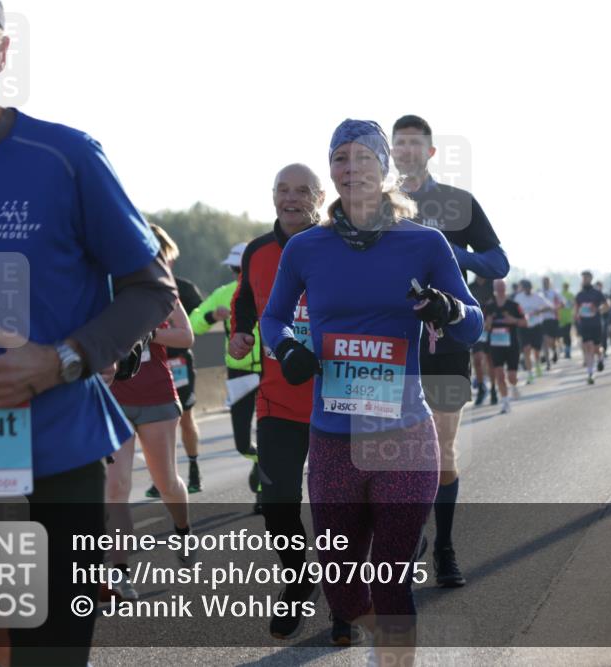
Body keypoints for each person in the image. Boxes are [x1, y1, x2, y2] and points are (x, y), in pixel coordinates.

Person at [0, 3, 176, 664]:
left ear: (3, 53)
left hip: (58, 463)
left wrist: (61, 359)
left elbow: (151, 289)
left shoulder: (65, 157)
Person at [261, 119, 483, 655]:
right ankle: (387, 640)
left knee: (389, 582)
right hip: (334, 439)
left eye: (364, 157)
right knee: (341, 588)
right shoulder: (306, 248)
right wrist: (288, 349)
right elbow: (273, 320)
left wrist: (448, 308)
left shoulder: (424, 243)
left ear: (384, 168)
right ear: (331, 171)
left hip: (403, 434)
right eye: (341, 158)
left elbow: (472, 324)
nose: (352, 168)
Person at [392, 114, 508, 589]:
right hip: (392, 346)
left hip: (445, 341)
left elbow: (498, 261)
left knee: (440, 452)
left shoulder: (456, 204)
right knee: (397, 454)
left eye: (416, 143)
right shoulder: (375, 203)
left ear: (431, 152)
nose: (407, 151)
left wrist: (452, 254)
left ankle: (443, 547)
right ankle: (407, 537)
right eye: (399, 143)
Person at [228, 163, 324, 640]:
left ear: (320, 197)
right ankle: (298, 581)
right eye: (283, 190)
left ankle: (351, 593)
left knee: (341, 508)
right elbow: (245, 300)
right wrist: (241, 331)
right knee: (278, 503)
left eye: (302, 190)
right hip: (278, 402)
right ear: (272, 196)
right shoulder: (257, 251)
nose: (291, 198)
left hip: (337, 401)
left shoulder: (337, 244)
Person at [106, 224, 196, 598]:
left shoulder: (159, 289)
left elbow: (186, 337)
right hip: (113, 396)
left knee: (167, 483)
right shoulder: (104, 287)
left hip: (157, 396)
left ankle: (183, 531)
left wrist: (146, 332)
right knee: (117, 487)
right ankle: (120, 571)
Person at [190, 245, 263, 510]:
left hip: (272, 372)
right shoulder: (223, 295)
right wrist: (211, 315)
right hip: (240, 372)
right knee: (242, 442)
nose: (237, 275)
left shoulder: (273, 287)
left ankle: (263, 491)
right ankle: (259, 461)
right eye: (235, 270)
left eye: (240, 269)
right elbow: (193, 322)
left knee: (270, 434)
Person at [144, 229, 205, 497]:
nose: (163, 262)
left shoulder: (184, 289)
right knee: (149, 426)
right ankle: (162, 477)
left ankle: (192, 469)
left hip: (177, 362)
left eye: (165, 256)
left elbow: (197, 326)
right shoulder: (138, 288)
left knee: (185, 418)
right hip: (146, 367)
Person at [485, 279, 527, 413]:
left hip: (512, 344)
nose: (501, 289)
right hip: (496, 345)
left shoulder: (514, 305)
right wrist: (488, 323)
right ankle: (505, 403)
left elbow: (525, 322)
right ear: (494, 289)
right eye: (498, 287)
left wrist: (513, 320)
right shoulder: (489, 307)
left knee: (511, 376)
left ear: (506, 288)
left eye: (503, 287)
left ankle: (514, 387)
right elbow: (485, 327)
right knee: (499, 374)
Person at [575, 271, 608, 385]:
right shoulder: (579, 295)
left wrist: (598, 309)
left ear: (591, 279)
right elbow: (576, 310)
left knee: (596, 348)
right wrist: (576, 322)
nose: (584, 280)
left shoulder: (597, 293)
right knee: (588, 347)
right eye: (583, 278)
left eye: (586, 278)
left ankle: (600, 358)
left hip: (596, 324)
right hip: (584, 325)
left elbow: (607, 305)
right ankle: (590, 373)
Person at [468, 275, 495, 406]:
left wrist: (491, 318)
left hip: (492, 328)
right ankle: (481, 388)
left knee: (491, 360)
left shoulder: (492, 286)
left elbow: (499, 304)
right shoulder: (470, 287)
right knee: (477, 359)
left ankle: (494, 388)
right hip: (477, 326)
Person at [512, 279, 546, 382]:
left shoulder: (537, 296)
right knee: (526, 349)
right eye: (525, 288)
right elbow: (514, 310)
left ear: (531, 288)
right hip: (524, 327)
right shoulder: (518, 298)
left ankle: (538, 365)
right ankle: (530, 374)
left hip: (536, 326)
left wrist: (539, 311)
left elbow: (548, 307)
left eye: (528, 288)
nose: (527, 290)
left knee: (536, 350)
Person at [539, 277, 563, 367]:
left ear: (550, 283)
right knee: (545, 340)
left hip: (553, 319)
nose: (545, 283)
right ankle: (548, 362)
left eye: (547, 282)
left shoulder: (554, 293)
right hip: (542, 319)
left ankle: (554, 350)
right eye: (544, 282)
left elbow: (563, 303)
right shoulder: (539, 293)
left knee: (552, 341)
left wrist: (555, 307)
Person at [558, 281, 575, 359]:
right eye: (565, 286)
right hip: (561, 318)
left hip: (568, 318)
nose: (566, 287)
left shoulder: (570, 295)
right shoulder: (559, 295)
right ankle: (565, 350)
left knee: (567, 334)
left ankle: (567, 351)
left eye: (566, 286)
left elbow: (573, 305)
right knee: (564, 335)